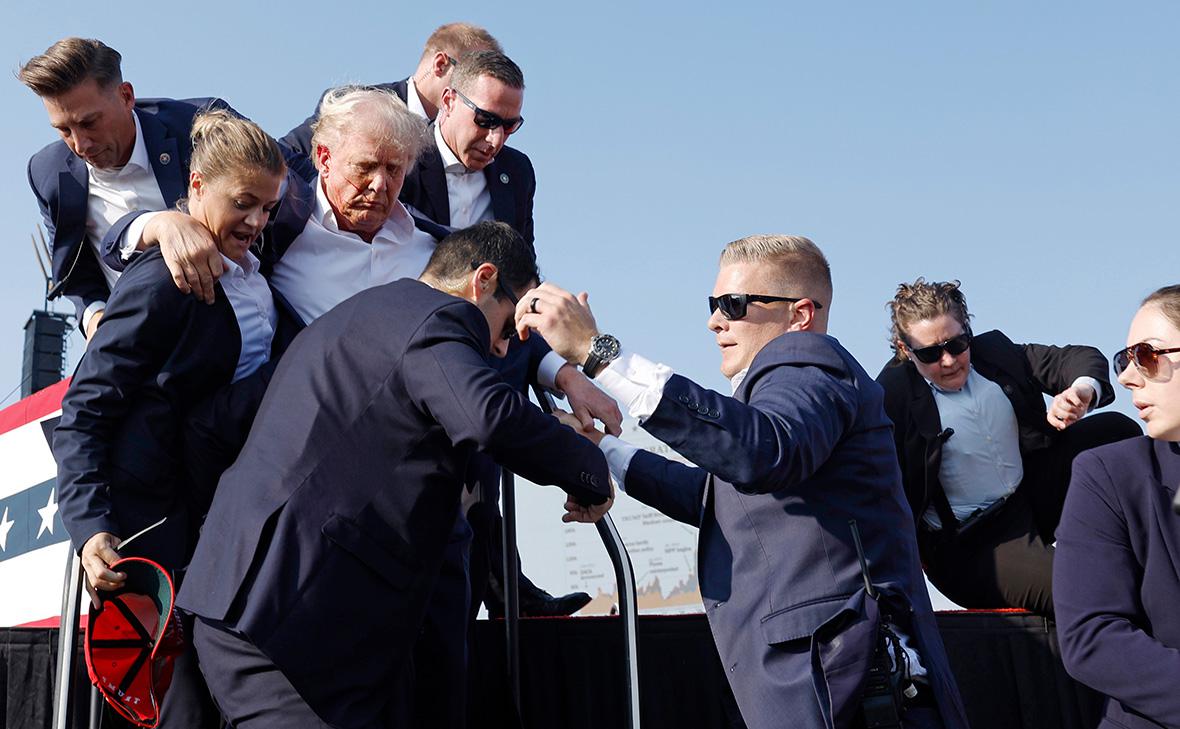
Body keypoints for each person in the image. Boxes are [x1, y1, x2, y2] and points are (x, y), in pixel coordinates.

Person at [517, 235, 968, 729]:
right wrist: (601, 449)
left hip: (853, 686)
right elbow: (714, 497)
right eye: (714, 305)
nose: (715, 320)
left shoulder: (808, 363)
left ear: (799, 316)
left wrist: (597, 352)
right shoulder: (787, 399)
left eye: (734, 305)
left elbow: (761, 451)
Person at [175, 221, 612, 729]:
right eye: (511, 323)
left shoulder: (366, 316)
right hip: (286, 618)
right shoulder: (436, 321)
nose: (503, 349)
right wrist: (589, 468)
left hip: (264, 608)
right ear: (483, 280)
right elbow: (487, 417)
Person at [52, 109, 289, 728]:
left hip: (218, 525)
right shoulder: (163, 282)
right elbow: (83, 408)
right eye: (244, 203)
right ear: (196, 185)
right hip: (156, 538)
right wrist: (91, 526)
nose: (258, 222)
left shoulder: (255, 277)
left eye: (269, 208)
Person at [876, 279, 1140, 615]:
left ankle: (1128, 540)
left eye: (957, 345)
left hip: (1027, 499)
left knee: (1117, 432)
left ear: (968, 331)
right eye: (929, 353)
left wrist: (1081, 392)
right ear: (904, 350)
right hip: (972, 546)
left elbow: (1076, 359)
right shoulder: (890, 395)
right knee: (1090, 588)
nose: (948, 361)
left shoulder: (995, 353)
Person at [20, 37, 238, 338]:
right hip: (143, 355)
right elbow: (74, 274)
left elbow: (278, 186)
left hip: (237, 327)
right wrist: (95, 318)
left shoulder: (201, 126)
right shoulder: (47, 173)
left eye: (89, 123)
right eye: (64, 130)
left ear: (126, 96)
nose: (80, 145)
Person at [1054, 285, 1180, 729]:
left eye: (1145, 356)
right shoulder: (1108, 473)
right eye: (1122, 361)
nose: (1127, 377)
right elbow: (1091, 636)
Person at [281, 21, 500, 151]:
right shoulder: (354, 106)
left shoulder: (476, 149)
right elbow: (285, 158)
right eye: (471, 76)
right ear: (440, 64)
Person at [400, 49, 534, 244]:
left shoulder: (517, 171)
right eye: (485, 119)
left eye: (509, 126)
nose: (495, 140)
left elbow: (524, 261)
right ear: (448, 101)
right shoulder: (403, 156)